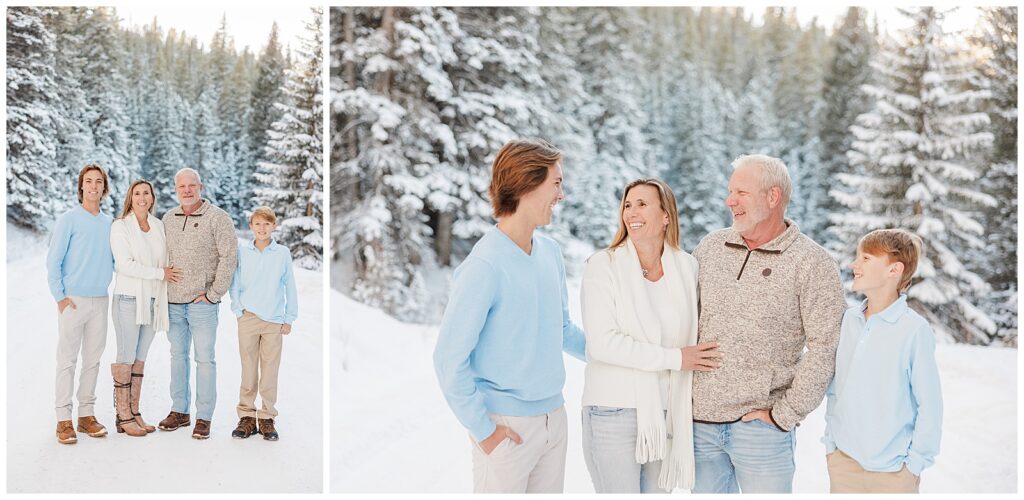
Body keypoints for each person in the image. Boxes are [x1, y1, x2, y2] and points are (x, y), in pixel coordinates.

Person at [433, 138, 586, 493]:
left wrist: (620, 354)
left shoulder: (549, 252)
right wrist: (485, 433)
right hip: (507, 428)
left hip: (554, 421)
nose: (561, 195)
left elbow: (562, 330)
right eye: (556, 183)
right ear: (528, 184)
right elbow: (448, 358)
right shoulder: (485, 265)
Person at [690, 154, 846, 493]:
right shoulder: (711, 248)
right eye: (730, 192)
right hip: (699, 427)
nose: (729, 201)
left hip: (761, 432)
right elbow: (679, 314)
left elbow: (826, 346)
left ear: (772, 197)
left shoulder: (812, 263)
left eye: (741, 193)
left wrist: (784, 414)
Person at [580, 178, 721, 493]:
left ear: (666, 216)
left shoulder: (687, 268)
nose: (631, 212)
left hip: (665, 414)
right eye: (627, 205)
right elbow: (603, 344)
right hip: (612, 410)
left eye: (642, 204)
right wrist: (676, 358)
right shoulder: (603, 265)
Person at [822, 229, 942, 493]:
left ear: (894, 270)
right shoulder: (849, 321)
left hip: (893, 475)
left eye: (866, 258)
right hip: (844, 466)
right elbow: (836, 389)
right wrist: (831, 446)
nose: (854, 265)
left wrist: (913, 467)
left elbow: (930, 406)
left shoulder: (914, 330)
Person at [158, 167, 238, 439]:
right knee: (177, 357)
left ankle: (204, 417)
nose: (187, 190)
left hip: (202, 303)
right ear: (176, 189)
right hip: (173, 302)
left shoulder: (217, 218)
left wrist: (214, 294)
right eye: (182, 186)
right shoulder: (168, 218)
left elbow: (229, 257)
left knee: (205, 359)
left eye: (192, 185)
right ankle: (180, 411)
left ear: (200, 187)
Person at [47, 164, 115, 444]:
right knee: (67, 360)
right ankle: (63, 419)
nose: (94, 186)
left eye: (99, 182)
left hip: (100, 299)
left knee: (93, 360)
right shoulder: (68, 220)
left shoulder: (110, 223)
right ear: (81, 186)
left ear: (104, 188)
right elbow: (53, 261)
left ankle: (86, 415)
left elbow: (115, 260)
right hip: (73, 300)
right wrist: (60, 298)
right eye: (89, 181)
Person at [109, 179, 182, 437]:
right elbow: (124, 264)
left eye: (146, 193)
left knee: (140, 358)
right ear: (131, 197)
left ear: (152, 198)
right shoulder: (121, 226)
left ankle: (134, 411)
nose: (142, 197)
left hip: (153, 301)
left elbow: (167, 259)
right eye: (137, 193)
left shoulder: (158, 225)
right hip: (128, 299)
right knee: (126, 357)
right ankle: (122, 415)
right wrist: (159, 273)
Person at [228, 207, 298, 442]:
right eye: (257, 224)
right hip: (248, 317)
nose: (262, 228)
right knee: (248, 368)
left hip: (273, 321)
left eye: (266, 224)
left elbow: (290, 286)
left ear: (274, 226)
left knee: (269, 370)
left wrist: (289, 318)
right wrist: (238, 309)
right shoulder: (243, 251)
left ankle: (267, 416)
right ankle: (246, 415)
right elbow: (235, 282)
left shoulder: (282, 253)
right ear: (251, 227)